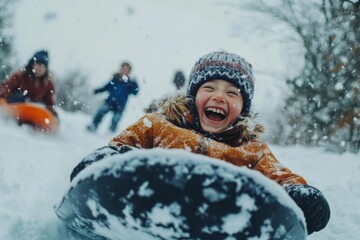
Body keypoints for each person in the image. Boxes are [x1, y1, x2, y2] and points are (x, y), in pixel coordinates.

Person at [72, 51, 330, 235]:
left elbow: (281, 178)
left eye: (232, 93)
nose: (219, 97)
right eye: (209, 88)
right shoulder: (159, 125)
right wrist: (107, 159)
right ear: (193, 95)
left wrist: (300, 196)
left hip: (221, 224)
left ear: (242, 109)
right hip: (149, 210)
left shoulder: (252, 150)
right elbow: (123, 145)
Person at [0, 50, 58, 117]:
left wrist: (52, 112)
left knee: (42, 105)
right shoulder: (20, 76)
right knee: (19, 95)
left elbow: (49, 102)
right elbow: (7, 88)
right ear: (32, 64)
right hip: (17, 105)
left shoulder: (48, 83)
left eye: (43, 66)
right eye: (38, 64)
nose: (40, 68)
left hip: (36, 109)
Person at [86, 62, 139, 133]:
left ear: (129, 72)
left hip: (120, 106)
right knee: (100, 112)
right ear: (120, 69)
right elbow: (105, 87)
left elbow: (135, 93)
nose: (124, 71)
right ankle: (94, 125)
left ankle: (111, 131)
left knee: (115, 119)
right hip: (109, 102)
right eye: (123, 68)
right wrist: (97, 91)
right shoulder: (115, 79)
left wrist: (135, 83)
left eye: (126, 69)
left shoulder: (130, 83)